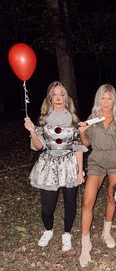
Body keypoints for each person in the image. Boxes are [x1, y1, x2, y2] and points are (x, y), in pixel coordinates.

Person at [24, 81, 86, 252]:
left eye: (62, 94)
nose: (58, 97)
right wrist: (31, 131)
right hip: (48, 165)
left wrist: (80, 171)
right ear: (50, 98)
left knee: (70, 203)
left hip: (69, 164)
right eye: (55, 94)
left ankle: (67, 234)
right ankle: (48, 230)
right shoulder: (43, 120)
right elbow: (38, 146)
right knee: (46, 208)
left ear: (66, 98)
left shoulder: (73, 120)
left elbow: (78, 147)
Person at [78, 84, 116, 267]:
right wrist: (82, 132)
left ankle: (107, 232)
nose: (106, 102)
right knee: (87, 201)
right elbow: (87, 143)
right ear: (99, 99)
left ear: (114, 100)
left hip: (114, 163)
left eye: (109, 98)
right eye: (103, 98)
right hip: (96, 162)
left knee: (112, 198)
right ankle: (85, 244)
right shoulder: (92, 119)